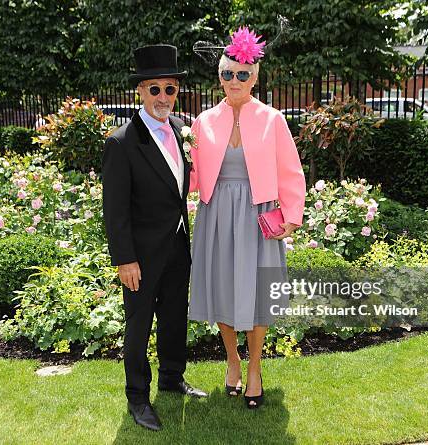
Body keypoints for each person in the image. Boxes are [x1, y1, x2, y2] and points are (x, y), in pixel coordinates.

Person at [188, 27, 306, 409]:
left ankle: (255, 367)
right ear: (219, 77)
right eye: (227, 74)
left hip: (259, 214)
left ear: (255, 78)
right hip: (217, 213)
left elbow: (290, 170)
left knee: (258, 293)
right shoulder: (203, 121)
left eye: (242, 74)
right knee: (221, 286)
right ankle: (233, 361)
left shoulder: (272, 119)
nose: (234, 80)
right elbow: (189, 170)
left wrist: (291, 216)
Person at [101, 44, 207, 432]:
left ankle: (172, 378)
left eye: (170, 89)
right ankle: (138, 398)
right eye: (155, 89)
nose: (164, 97)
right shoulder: (121, 142)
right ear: (141, 92)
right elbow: (115, 210)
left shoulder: (183, 130)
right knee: (139, 324)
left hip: (178, 245)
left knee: (175, 318)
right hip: (141, 257)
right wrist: (124, 259)